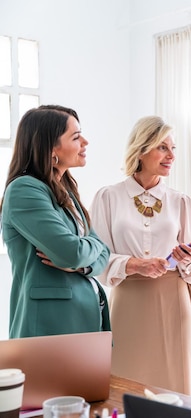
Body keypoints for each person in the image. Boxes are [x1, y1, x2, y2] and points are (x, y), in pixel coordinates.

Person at [90, 116, 191, 399]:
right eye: (163, 148)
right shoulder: (108, 197)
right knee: (124, 383)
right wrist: (135, 264)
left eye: (173, 148)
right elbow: (97, 261)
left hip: (174, 301)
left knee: (175, 386)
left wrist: (184, 257)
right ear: (141, 150)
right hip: (127, 301)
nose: (172, 156)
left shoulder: (181, 201)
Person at [0, 105, 111, 338]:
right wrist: (83, 251)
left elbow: (103, 253)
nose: (86, 142)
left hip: (83, 320)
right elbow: (71, 252)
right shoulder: (24, 189)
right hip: (49, 325)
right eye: (76, 137)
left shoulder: (66, 191)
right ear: (51, 149)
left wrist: (82, 260)